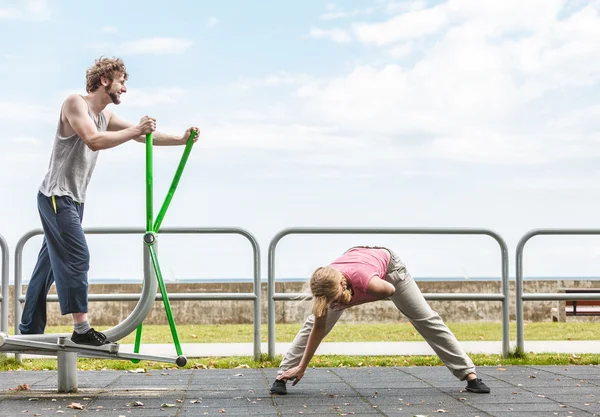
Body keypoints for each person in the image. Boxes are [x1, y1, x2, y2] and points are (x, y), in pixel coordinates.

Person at [18, 57, 200, 347]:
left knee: (49, 267)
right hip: (57, 196)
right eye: (122, 82)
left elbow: (144, 137)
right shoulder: (75, 103)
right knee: (77, 257)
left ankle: (27, 331)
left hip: (74, 200)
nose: (124, 89)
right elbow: (93, 140)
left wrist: (181, 138)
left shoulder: (106, 117)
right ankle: (81, 329)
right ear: (105, 80)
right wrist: (135, 130)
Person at [270, 245, 491, 395]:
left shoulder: (366, 281)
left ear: (339, 288)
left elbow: (390, 291)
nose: (330, 304)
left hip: (389, 271)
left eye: (331, 300)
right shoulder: (325, 289)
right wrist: (302, 367)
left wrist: (352, 301)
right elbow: (318, 329)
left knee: (425, 318)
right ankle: (282, 377)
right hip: (356, 260)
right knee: (313, 323)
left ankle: (470, 376)